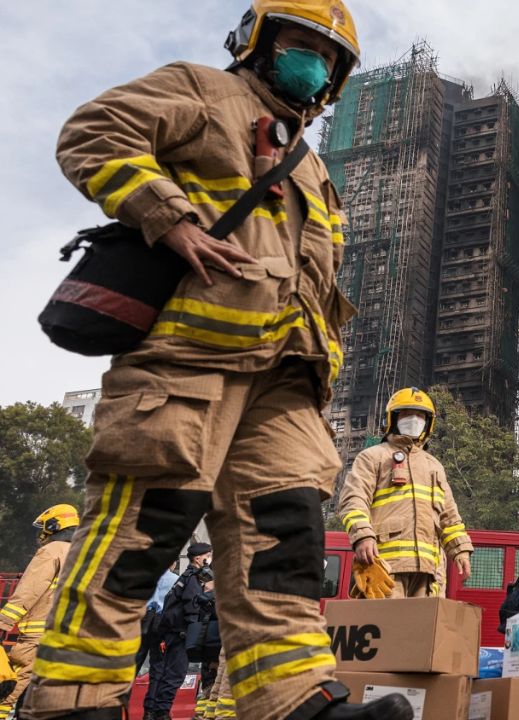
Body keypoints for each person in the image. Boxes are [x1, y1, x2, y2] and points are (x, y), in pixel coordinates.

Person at [33, 2, 412, 716]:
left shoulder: (314, 166)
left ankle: (293, 699)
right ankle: (72, 699)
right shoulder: (205, 92)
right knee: (145, 529)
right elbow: (93, 130)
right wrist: (167, 215)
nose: (316, 66)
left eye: (330, 60)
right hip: (189, 362)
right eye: (303, 46)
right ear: (258, 43)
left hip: (286, 382)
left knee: (288, 540)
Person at [338, 387, 473, 598]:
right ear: (393, 419)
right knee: (386, 628)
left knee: (424, 630)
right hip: (385, 566)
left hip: (429, 572)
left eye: (420, 416)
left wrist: (460, 549)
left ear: (429, 423)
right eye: (407, 414)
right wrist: (362, 535)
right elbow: (353, 500)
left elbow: (449, 516)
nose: (414, 419)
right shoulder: (373, 457)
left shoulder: (434, 466)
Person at [0, 506, 78, 718]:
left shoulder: (52, 551)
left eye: (44, 528)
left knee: (10, 685)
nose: (41, 533)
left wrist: (3, 623)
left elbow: (28, 592)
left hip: (41, 633)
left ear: (54, 525)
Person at [144, 543, 212, 720]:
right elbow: (192, 606)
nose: (210, 558)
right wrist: (194, 629)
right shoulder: (192, 578)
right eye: (209, 555)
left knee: (165, 672)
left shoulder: (185, 577)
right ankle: (162, 712)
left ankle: (157, 710)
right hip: (181, 633)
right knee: (176, 674)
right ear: (199, 558)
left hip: (171, 631)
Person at [135, 563, 180, 674]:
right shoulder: (176, 579)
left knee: (137, 656)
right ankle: (154, 689)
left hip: (144, 618)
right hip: (162, 620)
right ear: (172, 564)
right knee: (158, 660)